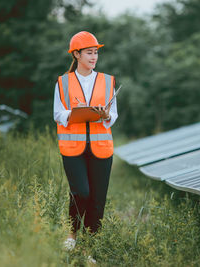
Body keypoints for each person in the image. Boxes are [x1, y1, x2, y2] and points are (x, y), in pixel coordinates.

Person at [53, 31, 118, 256]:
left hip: (101, 149)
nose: (93, 57)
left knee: (98, 201)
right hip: (73, 149)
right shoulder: (63, 82)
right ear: (77, 54)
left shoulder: (108, 81)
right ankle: (72, 233)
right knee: (81, 193)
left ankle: (90, 249)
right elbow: (58, 113)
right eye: (89, 53)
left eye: (96, 53)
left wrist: (106, 115)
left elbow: (114, 116)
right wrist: (75, 114)